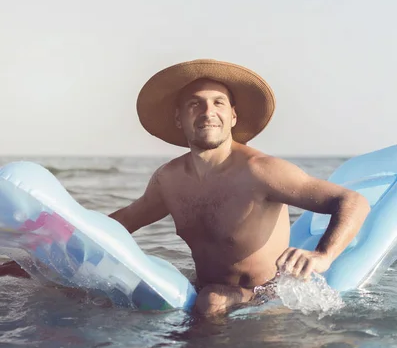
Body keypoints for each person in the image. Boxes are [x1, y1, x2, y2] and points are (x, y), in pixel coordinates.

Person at [109, 59, 370, 316]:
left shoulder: (260, 171)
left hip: (266, 296)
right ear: (179, 118)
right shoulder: (169, 179)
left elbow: (353, 202)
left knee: (210, 302)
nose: (207, 112)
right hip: (205, 292)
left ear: (233, 116)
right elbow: (124, 221)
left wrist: (323, 255)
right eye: (194, 103)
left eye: (218, 103)